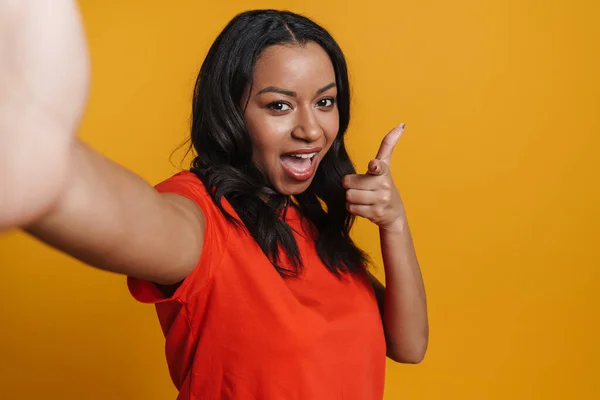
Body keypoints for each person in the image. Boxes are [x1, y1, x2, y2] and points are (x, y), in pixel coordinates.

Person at [0, 2, 428, 399]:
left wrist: (395, 223)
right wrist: (48, 164)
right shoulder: (202, 218)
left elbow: (408, 345)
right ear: (230, 113)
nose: (311, 130)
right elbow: (138, 220)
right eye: (279, 105)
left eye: (325, 102)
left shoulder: (310, 227)